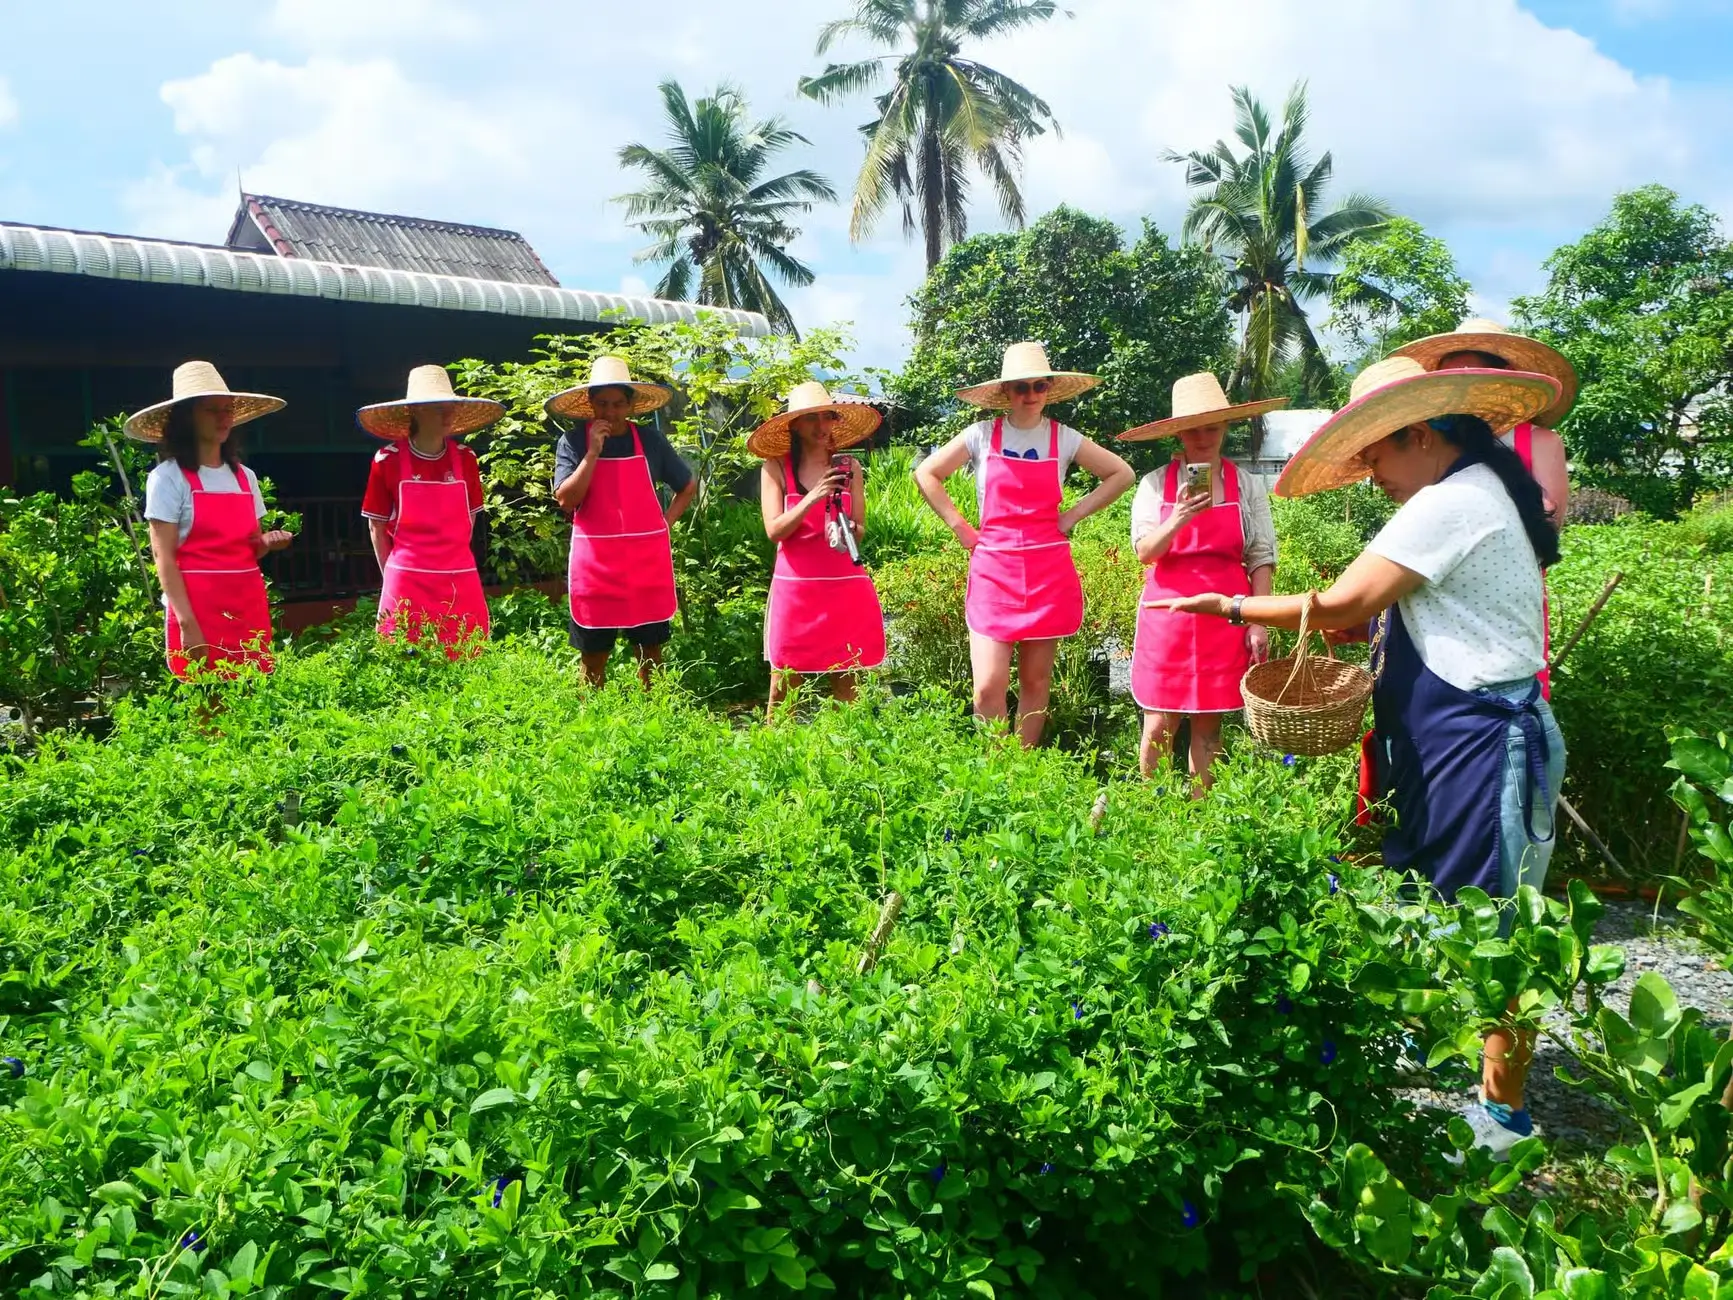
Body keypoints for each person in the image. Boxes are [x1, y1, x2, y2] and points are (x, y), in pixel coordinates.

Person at [1152, 355, 1567, 1159]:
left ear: (1416, 435)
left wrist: (1228, 601)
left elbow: (1343, 603)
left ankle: (1502, 1117)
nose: (1370, 473)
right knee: (1431, 894)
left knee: (1498, 925)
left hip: (1482, 736)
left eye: (1373, 455)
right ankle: (1434, 1048)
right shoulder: (1470, 491)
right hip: (1444, 733)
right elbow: (1362, 613)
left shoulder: (1450, 502)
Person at [915, 341, 1134, 747]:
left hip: (1047, 569)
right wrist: (961, 528)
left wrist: (1071, 517)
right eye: (1021, 387)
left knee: (1036, 680)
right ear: (1006, 393)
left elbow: (1121, 473)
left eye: (1039, 386)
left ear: (1049, 389)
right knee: (987, 687)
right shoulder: (980, 435)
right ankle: (995, 770)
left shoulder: (1065, 439)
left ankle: (1024, 770)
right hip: (993, 568)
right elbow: (927, 473)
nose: (1030, 395)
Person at [1118, 373, 1287, 792]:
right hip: (1167, 615)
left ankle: (1201, 819)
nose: (1203, 435)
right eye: (1192, 427)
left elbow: (1261, 556)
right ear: (1178, 431)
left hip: (1225, 614)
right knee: (1160, 720)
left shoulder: (1246, 485)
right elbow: (1145, 552)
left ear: (1226, 427)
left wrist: (1258, 619)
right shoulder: (1155, 484)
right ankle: (1152, 815)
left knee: (1209, 726)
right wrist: (1178, 517)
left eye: (1212, 425)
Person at [1394, 318, 1577, 698]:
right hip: (1435, 586)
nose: (1462, 383)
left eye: (1471, 370)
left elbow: (1548, 526)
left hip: (1505, 594)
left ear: (1501, 377)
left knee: (1508, 686)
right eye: (1451, 375)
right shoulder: (1433, 441)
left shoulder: (1539, 441)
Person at [132, 361, 294, 678]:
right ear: (186, 418)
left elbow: (251, 547)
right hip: (198, 611)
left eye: (227, 409)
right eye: (211, 410)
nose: (223, 418)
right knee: (208, 710)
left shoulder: (245, 477)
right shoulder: (168, 477)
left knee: (253, 703)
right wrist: (187, 625)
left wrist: (268, 543)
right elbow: (162, 558)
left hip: (248, 605)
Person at [548, 357, 696, 688]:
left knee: (651, 653)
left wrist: (665, 524)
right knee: (593, 655)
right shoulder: (573, 442)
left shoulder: (651, 441)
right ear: (590, 404)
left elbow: (687, 486)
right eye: (602, 404)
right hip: (596, 567)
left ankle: (655, 723)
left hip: (645, 564)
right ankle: (593, 726)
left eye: (617, 404)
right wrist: (592, 453)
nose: (610, 412)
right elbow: (566, 499)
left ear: (630, 405)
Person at [751, 381, 887, 718]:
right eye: (811, 418)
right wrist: (814, 497)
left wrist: (846, 530)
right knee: (784, 682)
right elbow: (775, 530)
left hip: (844, 587)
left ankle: (849, 763)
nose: (821, 426)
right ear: (794, 425)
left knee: (846, 683)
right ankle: (773, 761)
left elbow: (860, 526)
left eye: (827, 417)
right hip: (795, 591)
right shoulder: (775, 468)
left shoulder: (848, 467)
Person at [357, 365, 501, 656]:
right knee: (405, 662)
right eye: (439, 409)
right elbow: (376, 526)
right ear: (417, 411)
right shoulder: (388, 459)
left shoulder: (466, 458)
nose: (449, 415)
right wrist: (393, 577)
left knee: (467, 656)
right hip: (407, 576)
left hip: (459, 575)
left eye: (451, 408)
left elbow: (470, 520)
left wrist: (451, 558)